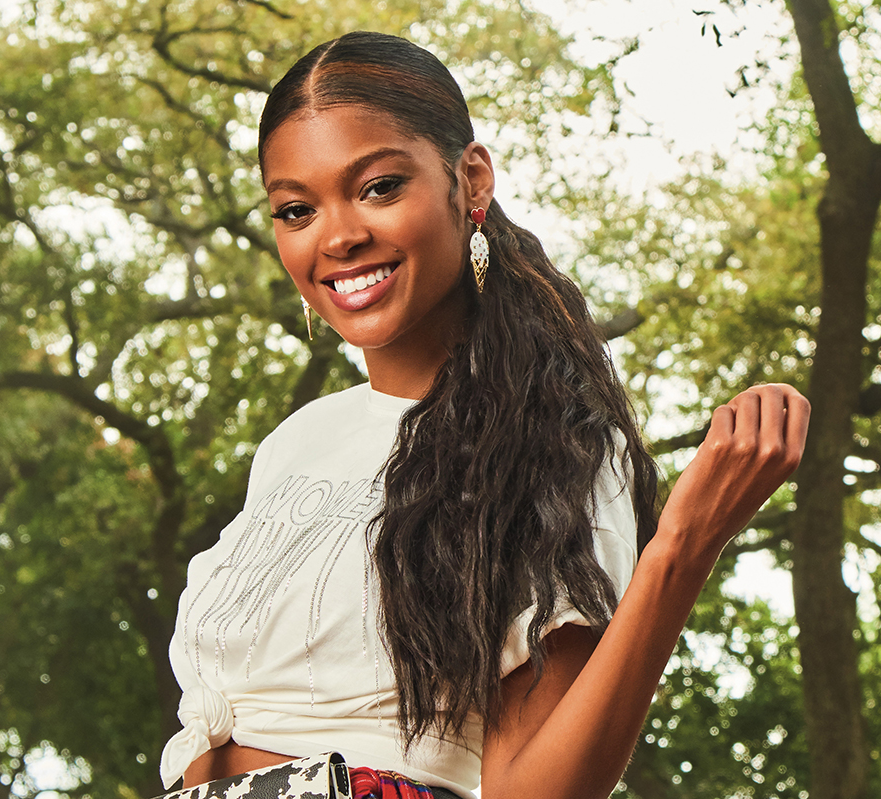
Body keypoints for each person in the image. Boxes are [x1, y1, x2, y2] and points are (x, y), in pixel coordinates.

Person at [159, 31, 810, 799]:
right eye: (296, 208)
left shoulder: (553, 444)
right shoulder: (294, 443)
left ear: (470, 179)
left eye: (378, 187)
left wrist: (681, 547)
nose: (337, 235)